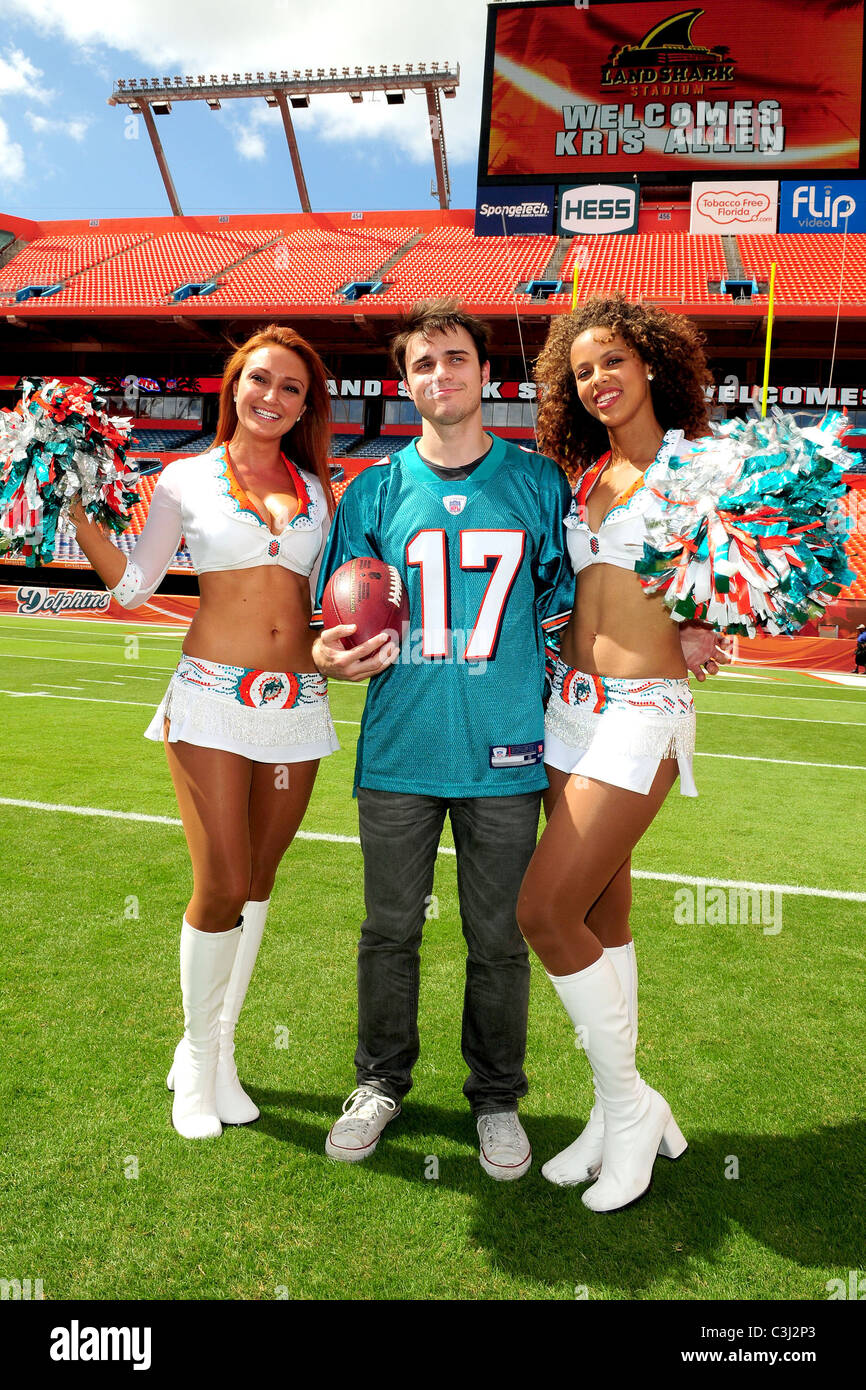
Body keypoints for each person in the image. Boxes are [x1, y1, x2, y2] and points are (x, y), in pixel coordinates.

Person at [311, 298, 724, 1180]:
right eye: (422, 364)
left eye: (455, 359)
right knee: (390, 930)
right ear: (405, 380)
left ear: (484, 373)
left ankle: (498, 1096)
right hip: (400, 745)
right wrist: (325, 654)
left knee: (507, 933)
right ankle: (380, 1083)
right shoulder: (372, 490)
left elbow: (602, 589)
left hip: (512, 746)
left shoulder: (541, 482)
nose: (440, 376)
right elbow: (335, 619)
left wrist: (685, 627)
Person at [70, 324, 338, 1139]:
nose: (272, 397)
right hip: (211, 698)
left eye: (291, 387)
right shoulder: (184, 477)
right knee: (220, 882)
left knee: (258, 883)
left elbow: (327, 596)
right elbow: (136, 587)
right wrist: (76, 511)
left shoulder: (322, 490)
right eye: (260, 380)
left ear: (304, 405)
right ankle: (194, 1059)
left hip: (297, 704)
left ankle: (216, 1055)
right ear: (234, 386)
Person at [516, 294, 726, 1212]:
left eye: (614, 362)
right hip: (570, 707)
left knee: (544, 909)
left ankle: (628, 1107)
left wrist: (710, 623)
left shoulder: (703, 467)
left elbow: (761, 564)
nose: (598, 380)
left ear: (653, 366)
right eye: (583, 369)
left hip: (642, 711)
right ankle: (615, 1116)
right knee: (603, 908)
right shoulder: (585, 473)